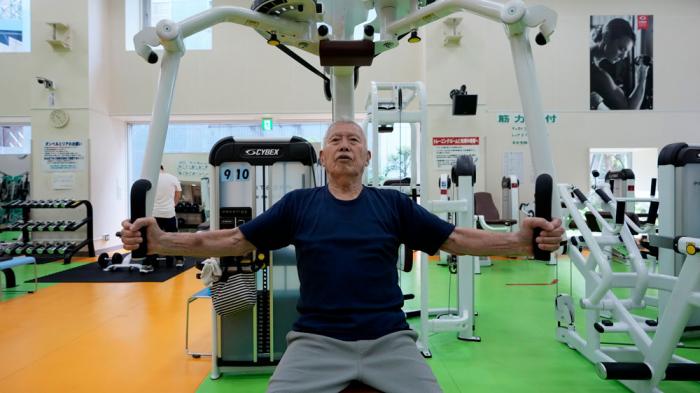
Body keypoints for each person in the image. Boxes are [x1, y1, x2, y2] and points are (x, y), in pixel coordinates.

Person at [121, 121, 564, 393]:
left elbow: (454, 239)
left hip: (390, 340)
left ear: (368, 155)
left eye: (354, 139)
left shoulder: (392, 204)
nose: (345, 144)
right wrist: (161, 242)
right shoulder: (299, 204)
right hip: (315, 342)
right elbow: (234, 240)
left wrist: (521, 242)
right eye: (336, 139)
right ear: (323, 155)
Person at [590, 18, 649, 110]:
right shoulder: (597, 74)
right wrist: (641, 80)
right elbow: (629, 110)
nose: (622, 57)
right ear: (606, 37)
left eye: (626, 52)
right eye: (621, 48)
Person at [152, 164, 183, 268]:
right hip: (169, 213)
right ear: (163, 168)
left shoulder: (151, 179)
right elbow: (178, 193)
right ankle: (179, 260)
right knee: (173, 238)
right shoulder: (172, 178)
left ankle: (151, 262)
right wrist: (173, 204)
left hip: (154, 214)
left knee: (153, 238)